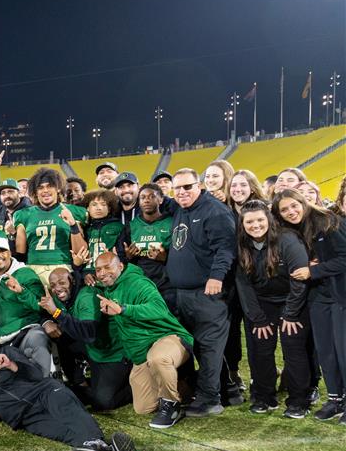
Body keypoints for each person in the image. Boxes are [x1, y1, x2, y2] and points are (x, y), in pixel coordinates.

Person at [0, 331, 146, 451]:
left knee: (70, 414)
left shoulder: (8, 352)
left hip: (44, 392)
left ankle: (97, 442)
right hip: (25, 417)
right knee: (65, 434)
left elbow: (35, 374)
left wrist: (10, 364)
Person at [92, 253, 194, 428]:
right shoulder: (110, 288)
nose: (101, 273)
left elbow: (159, 309)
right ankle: (189, 384)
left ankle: (172, 406)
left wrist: (123, 309)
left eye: (107, 267)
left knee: (158, 358)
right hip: (143, 353)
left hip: (167, 337)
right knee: (143, 407)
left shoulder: (138, 283)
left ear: (120, 267)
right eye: (98, 269)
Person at [165, 168, 236, 417]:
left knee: (208, 346)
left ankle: (210, 399)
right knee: (198, 345)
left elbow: (226, 248)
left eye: (188, 187)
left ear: (200, 186)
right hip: (183, 292)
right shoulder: (181, 208)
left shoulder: (214, 210)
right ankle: (229, 390)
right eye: (178, 188)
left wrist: (216, 277)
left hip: (206, 293)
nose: (182, 192)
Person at [272, 189, 346, 423]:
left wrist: (314, 270)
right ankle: (335, 399)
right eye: (284, 210)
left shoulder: (328, 221)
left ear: (303, 202)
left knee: (343, 350)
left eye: (294, 205)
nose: (291, 212)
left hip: (340, 295)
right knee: (325, 351)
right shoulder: (291, 231)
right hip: (317, 297)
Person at [234, 201, 312, 417]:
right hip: (262, 302)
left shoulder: (287, 239)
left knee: (292, 347)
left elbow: (300, 280)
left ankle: (298, 401)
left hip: (291, 300)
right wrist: (257, 318)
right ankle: (264, 396)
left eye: (260, 220)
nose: (255, 225)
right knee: (260, 348)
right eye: (249, 221)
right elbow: (244, 285)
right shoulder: (241, 244)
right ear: (243, 224)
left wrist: (291, 313)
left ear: (268, 219)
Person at [37, 267, 131, 412]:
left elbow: (88, 334)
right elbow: (44, 312)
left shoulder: (87, 295)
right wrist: (46, 321)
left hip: (111, 353)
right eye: (53, 285)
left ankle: (137, 386)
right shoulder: (58, 295)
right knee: (59, 335)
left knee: (102, 402)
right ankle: (78, 381)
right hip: (92, 350)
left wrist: (56, 313)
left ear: (73, 281)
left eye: (62, 283)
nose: (57, 288)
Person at [0, 236, 52, 374]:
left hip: (26, 330)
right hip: (0, 339)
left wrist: (21, 291)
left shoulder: (26, 274)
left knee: (38, 342)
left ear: (9, 253)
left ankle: (46, 385)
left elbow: (40, 306)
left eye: (2, 251)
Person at [12, 167, 87, 283]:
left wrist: (73, 224)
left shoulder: (75, 211)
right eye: (40, 188)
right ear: (35, 192)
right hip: (33, 268)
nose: (45, 190)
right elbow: (20, 253)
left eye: (49, 186)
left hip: (63, 267)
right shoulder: (23, 215)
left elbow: (81, 252)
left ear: (58, 188)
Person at [122, 184, 172, 294]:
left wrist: (165, 258)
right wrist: (129, 257)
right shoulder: (131, 226)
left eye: (151, 196)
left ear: (160, 200)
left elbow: (182, 254)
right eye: (143, 197)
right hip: (141, 283)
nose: (146, 200)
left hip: (167, 284)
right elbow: (123, 259)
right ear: (139, 202)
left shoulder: (171, 222)